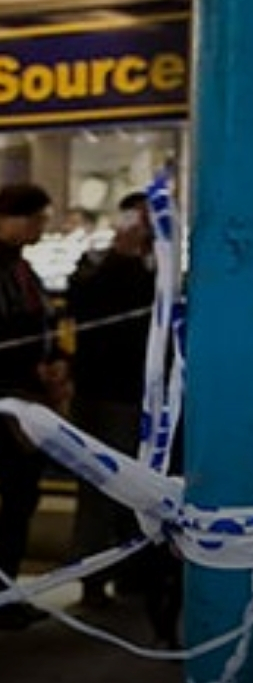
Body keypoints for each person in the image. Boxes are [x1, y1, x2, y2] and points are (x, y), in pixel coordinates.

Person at [66, 192, 155, 609]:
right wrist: (124, 256)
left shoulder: (162, 264)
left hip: (148, 395)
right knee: (100, 488)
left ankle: (136, 573)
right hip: (106, 393)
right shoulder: (98, 264)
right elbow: (88, 308)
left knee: (141, 488)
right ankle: (92, 577)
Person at [0, 183, 63, 631]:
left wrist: (56, 362)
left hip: (28, 399)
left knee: (22, 498)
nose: (42, 226)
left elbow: (43, 324)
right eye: (36, 218)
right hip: (7, 403)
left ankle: (9, 591)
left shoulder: (22, 268)